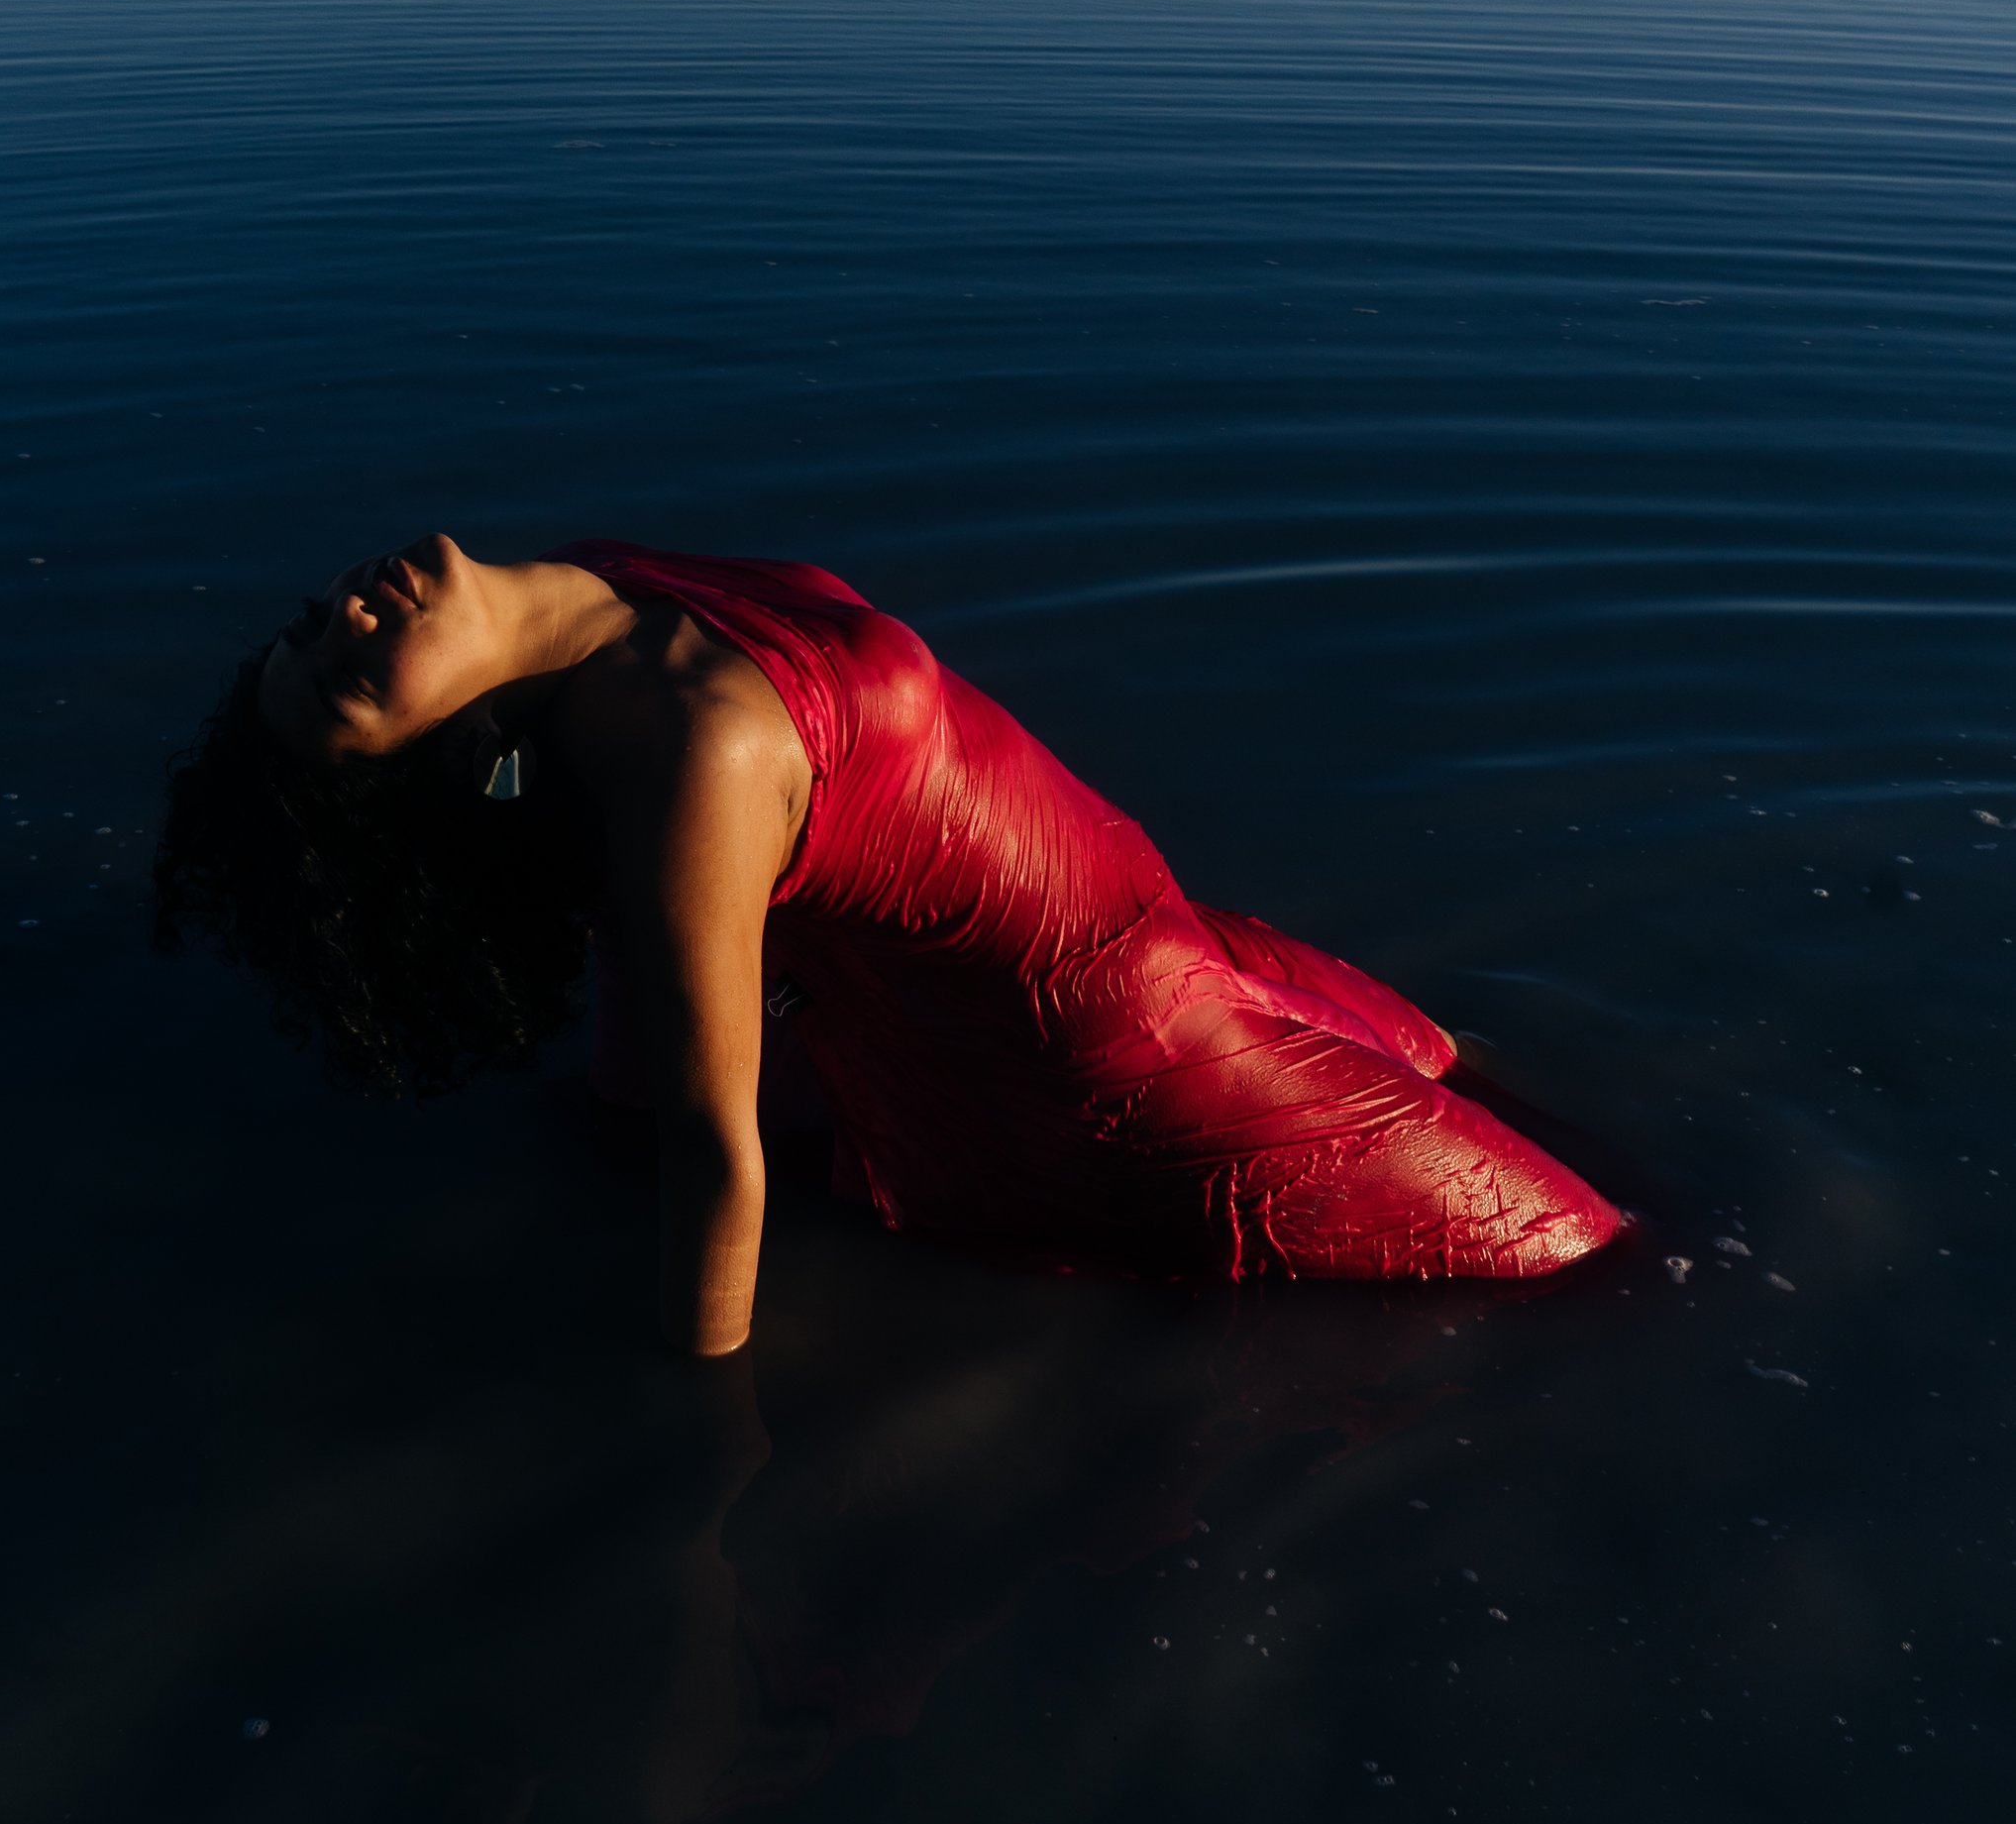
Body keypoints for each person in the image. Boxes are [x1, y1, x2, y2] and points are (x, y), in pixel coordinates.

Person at [154, 536, 1623, 1355]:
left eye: (311, 620)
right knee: (1588, 1257)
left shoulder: (593, 592)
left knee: (1455, 1056)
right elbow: (713, 1157)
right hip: (1127, 1062)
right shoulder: (691, 752)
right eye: (350, 680)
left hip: (1170, 943)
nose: (350, 613)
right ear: (438, 749)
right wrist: (701, 1473)